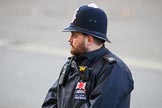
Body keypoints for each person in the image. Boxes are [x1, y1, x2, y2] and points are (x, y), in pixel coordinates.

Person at [42, 3, 134, 108]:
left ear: (89, 40)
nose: (69, 40)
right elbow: (50, 103)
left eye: (74, 35)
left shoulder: (113, 70)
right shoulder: (72, 64)